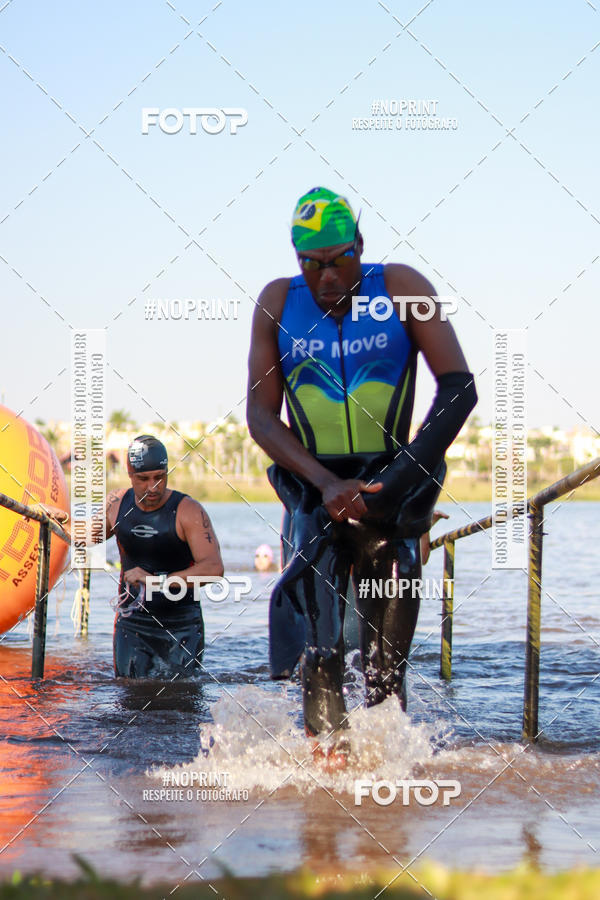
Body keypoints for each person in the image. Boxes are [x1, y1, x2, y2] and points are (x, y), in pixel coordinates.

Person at [246, 186, 477, 760]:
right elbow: (258, 412)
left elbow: (458, 389)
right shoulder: (277, 302)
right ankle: (324, 811)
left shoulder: (401, 286)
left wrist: (395, 485)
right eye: (312, 263)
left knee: (385, 671)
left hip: (392, 500)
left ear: (360, 246)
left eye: (338, 259)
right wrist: (326, 485)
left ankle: (386, 812)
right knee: (321, 659)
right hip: (319, 500)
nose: (326, 276)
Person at [61, 435, 224, 678]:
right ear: (129, 473)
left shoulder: (188, 511)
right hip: (132, 622)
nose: (153, 487)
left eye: (160, 477)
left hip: (181, 626)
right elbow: (86, 536)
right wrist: (61, 521)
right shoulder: (117, 503)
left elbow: (213, 568)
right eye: (143, 479)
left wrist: (155, 581)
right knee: (128, 700)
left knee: (180, 705)